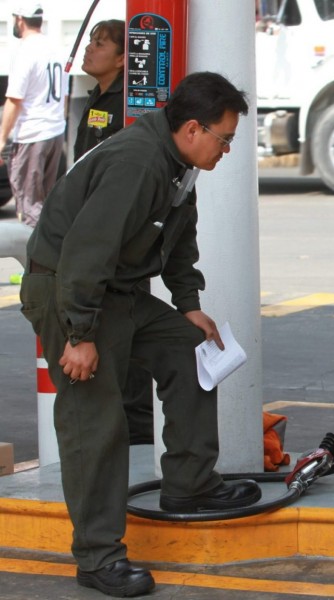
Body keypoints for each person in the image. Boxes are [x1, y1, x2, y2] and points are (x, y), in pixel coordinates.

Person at [19, 71, 261, 598]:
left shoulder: (181, 164)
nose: (227, 150)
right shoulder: (137, 162)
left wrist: (188, 306)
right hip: (70, 292)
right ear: (193, 128)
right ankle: (98, 555)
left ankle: (189, 485)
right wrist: (78, 334)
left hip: (118, 293)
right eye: (225, 138)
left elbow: (179, 239)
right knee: (97, 420)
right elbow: (87, 250)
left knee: (188, 348)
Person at [73, 18, 156, 447]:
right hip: (92, 234)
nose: (90, 50)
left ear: (125, 58)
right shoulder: (100, 97)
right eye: (90, 41)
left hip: (115, 243)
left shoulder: (127, 104)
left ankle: (137, 428)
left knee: (124, 331)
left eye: (100, 44)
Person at [0, 1, 66, 227]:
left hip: (32, 134)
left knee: (29, 207)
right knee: (44, 202)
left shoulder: (26, 50)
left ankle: (40, 259)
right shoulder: (54, 48)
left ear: (19, 19)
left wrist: (1, 139)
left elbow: (14, 99)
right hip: (55, 132)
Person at [73, 19, 125, 160]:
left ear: (121, 59)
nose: (88, 48)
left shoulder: (125, 102)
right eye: (91, 41)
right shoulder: (98, 93)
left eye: (99, 44)